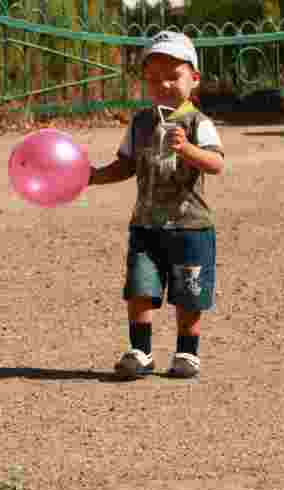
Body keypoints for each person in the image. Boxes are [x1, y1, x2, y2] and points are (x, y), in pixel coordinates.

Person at [88, 31, 225, 379]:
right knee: (140, 289)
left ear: (194, 78)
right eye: (153, 78)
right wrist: (91, 176)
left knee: (188, 295)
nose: (162, 84)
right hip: (146, 225)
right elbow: (125, 165)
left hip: (190, 227)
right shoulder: (140, 123)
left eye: (172, 76)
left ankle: (186, 353)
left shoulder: (198, 123)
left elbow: (215, 163)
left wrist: (188, 150)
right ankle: (141, 350)